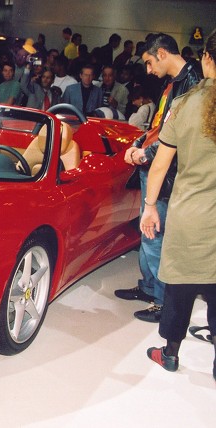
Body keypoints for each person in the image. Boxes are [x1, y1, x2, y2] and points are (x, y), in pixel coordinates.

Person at [140, 28, 216, 379]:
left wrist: (150, 206)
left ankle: (169, 354)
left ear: (206, 58)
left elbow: (160, 164)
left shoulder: (186, 104)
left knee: (180, 289)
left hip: (191, 217)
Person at [116, 33, 202, 322]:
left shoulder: (192, 85)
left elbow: (179, 140)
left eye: (151, 62)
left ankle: (162, 302)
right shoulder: (173, 84)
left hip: (166, 174)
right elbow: (160, 126)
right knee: (147, 234)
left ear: (163, 53)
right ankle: (149, 287)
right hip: (153, 167)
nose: (149, 70)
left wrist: (146, 154)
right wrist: (140, 144)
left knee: (154, 237)